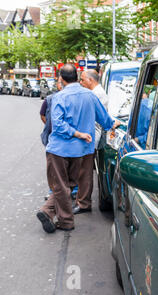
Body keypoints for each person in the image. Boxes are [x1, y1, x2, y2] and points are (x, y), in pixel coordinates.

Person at [36, 64, 118, 233]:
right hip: (81, 150)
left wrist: (77, 133)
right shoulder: (90, 96)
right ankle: (49, 211)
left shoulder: (59, 97)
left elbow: (57, 125)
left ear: (61, 78)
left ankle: (63, 220)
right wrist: (114, 123)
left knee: (60, 185)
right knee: (69, 184)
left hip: (59, 149)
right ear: (76, 77)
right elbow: (105, 120)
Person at [74, 69, 117, 214]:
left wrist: (111, 123)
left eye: (83, 80)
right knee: (83, 171)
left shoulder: (96, 94)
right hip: (89, 136)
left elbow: (101, 118)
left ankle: (83, 203)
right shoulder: (95, 93)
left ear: (90, 80)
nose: (81, 83)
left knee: (84, 172)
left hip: (90, 137)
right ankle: (82, 200)